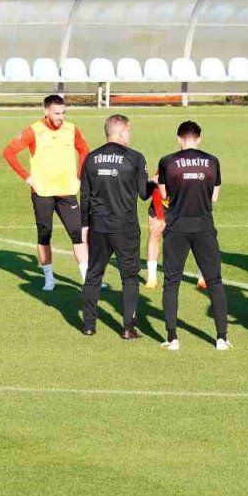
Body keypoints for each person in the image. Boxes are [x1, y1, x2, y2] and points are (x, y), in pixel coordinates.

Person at [2, 94, 91, 290]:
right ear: (46, 112)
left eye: (63, 113)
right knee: (45, 235)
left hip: (67, 191)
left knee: (77, 234)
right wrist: (27, 178)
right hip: (42, 192)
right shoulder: (33, 131)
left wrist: (78, 176)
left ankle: (87, 280)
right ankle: (49, 279)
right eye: (57, 113)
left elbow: (84, 150)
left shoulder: (71, 129)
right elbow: (8, 152)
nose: (61, 117)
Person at [156, 121, 229, 351]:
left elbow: (164, 193)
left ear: (179, 138)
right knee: (214, 281)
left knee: (171, 282)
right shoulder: (212, 161)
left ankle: (172, 338)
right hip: (204, 226)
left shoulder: (168, 161)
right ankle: (221, 338)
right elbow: (215, 197)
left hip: (176, 226)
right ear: (199, 138)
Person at [79, 114, 154, 338]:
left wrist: (84, 225)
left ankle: (89, 325)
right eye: (129, 131)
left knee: (93, 275)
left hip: (99, 226)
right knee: (129, 277)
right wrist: (153, 183)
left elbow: (84, 195)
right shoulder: (135, 158)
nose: (130, 135)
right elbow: (143, 194)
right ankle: (128, 328)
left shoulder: (91, 158)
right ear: (121, 132)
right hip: (125, 226)